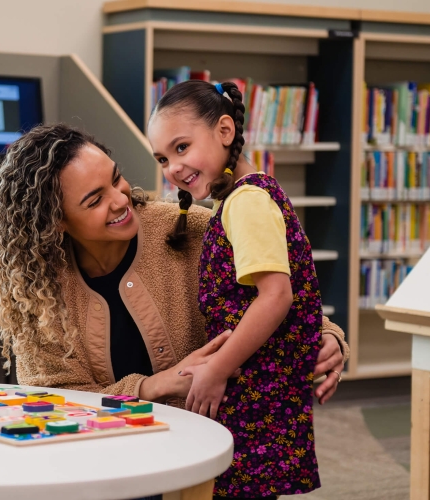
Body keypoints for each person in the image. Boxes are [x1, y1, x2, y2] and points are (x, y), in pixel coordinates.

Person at [0, 124, 347, 413]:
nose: (120, 200)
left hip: (216, 442)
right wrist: (154, 386)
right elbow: (52, 401)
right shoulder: (39, 288)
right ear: (56, 223)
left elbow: (279, 288)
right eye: (95, 200)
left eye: (116, 179)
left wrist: (328, 336)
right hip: (108, 456)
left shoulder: (192, 229)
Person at [147, 80, 325, 498]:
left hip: (257, 396)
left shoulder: (246, 202)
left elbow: (277, 296)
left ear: (225, 132)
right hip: (258, 391)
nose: (173, 167)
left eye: (181, 147)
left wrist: (218, 369)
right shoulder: (243, 198)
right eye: (162, 158)